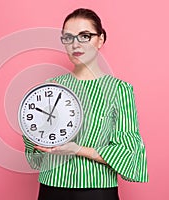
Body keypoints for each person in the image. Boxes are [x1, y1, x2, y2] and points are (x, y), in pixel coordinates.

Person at [22, 8, 148, 200]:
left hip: (97, 191)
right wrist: (33, 135)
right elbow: (36, 151)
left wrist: (77, 149)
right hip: (51, 187)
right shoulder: (51, 87)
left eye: (85, 36)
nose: (75, 44)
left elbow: (128, 152)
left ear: (100, 39)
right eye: (68, 37)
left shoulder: (119, 90)